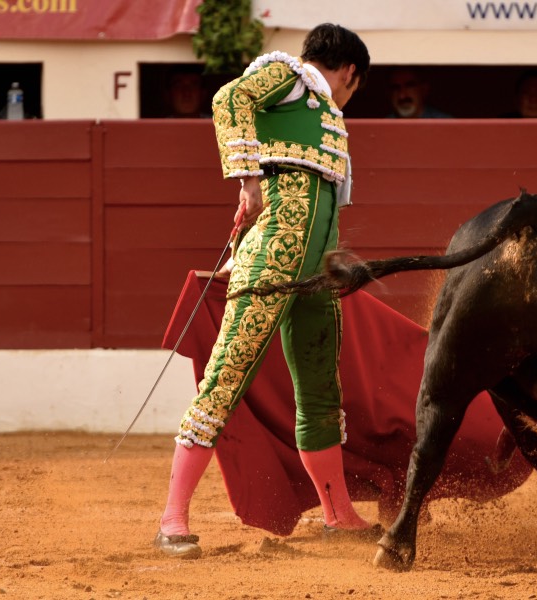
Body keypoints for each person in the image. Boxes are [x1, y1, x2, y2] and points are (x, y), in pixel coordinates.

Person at [154, 23, 374, 559]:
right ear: (350, 72)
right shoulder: (290, 77)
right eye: (355, 85)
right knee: (226, 378)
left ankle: (336, 513)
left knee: (322, 392)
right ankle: (172, 519)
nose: (349, 95)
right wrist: (247, 179)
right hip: (272, 261)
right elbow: (229, 96)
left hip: (316, 273)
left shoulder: (325, 114)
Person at [387, 67, 451, 118]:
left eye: (409, 86)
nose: (402, 96)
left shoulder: (445, 124)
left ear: (424, 89)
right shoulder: (383, 129)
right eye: (395, 88)